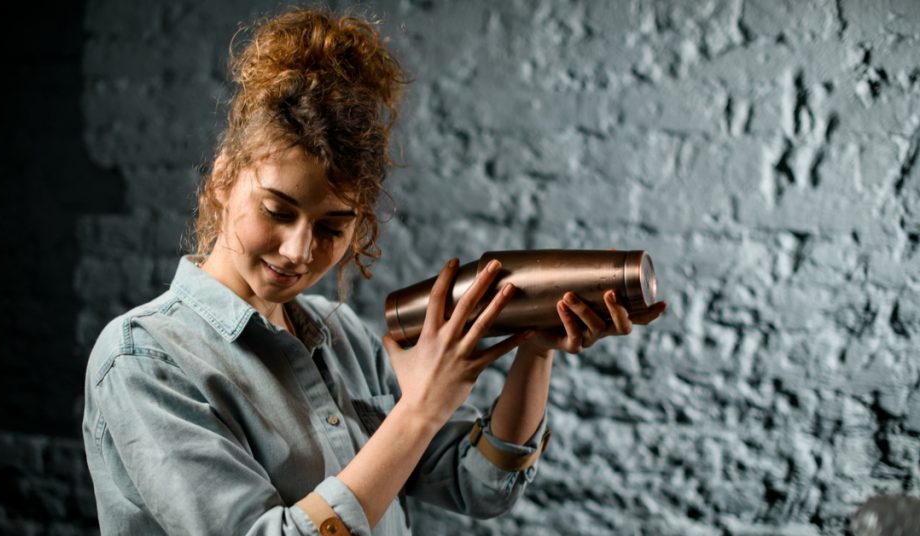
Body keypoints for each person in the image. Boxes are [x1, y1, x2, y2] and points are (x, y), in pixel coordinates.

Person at [81, 6, 666, 536]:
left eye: (333, 228)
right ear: (224, 177)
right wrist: (420, 408)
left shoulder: (345, 340)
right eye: (277, 211)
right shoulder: (143, 360)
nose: (297, 251)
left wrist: (536, 350)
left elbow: (480, 485)